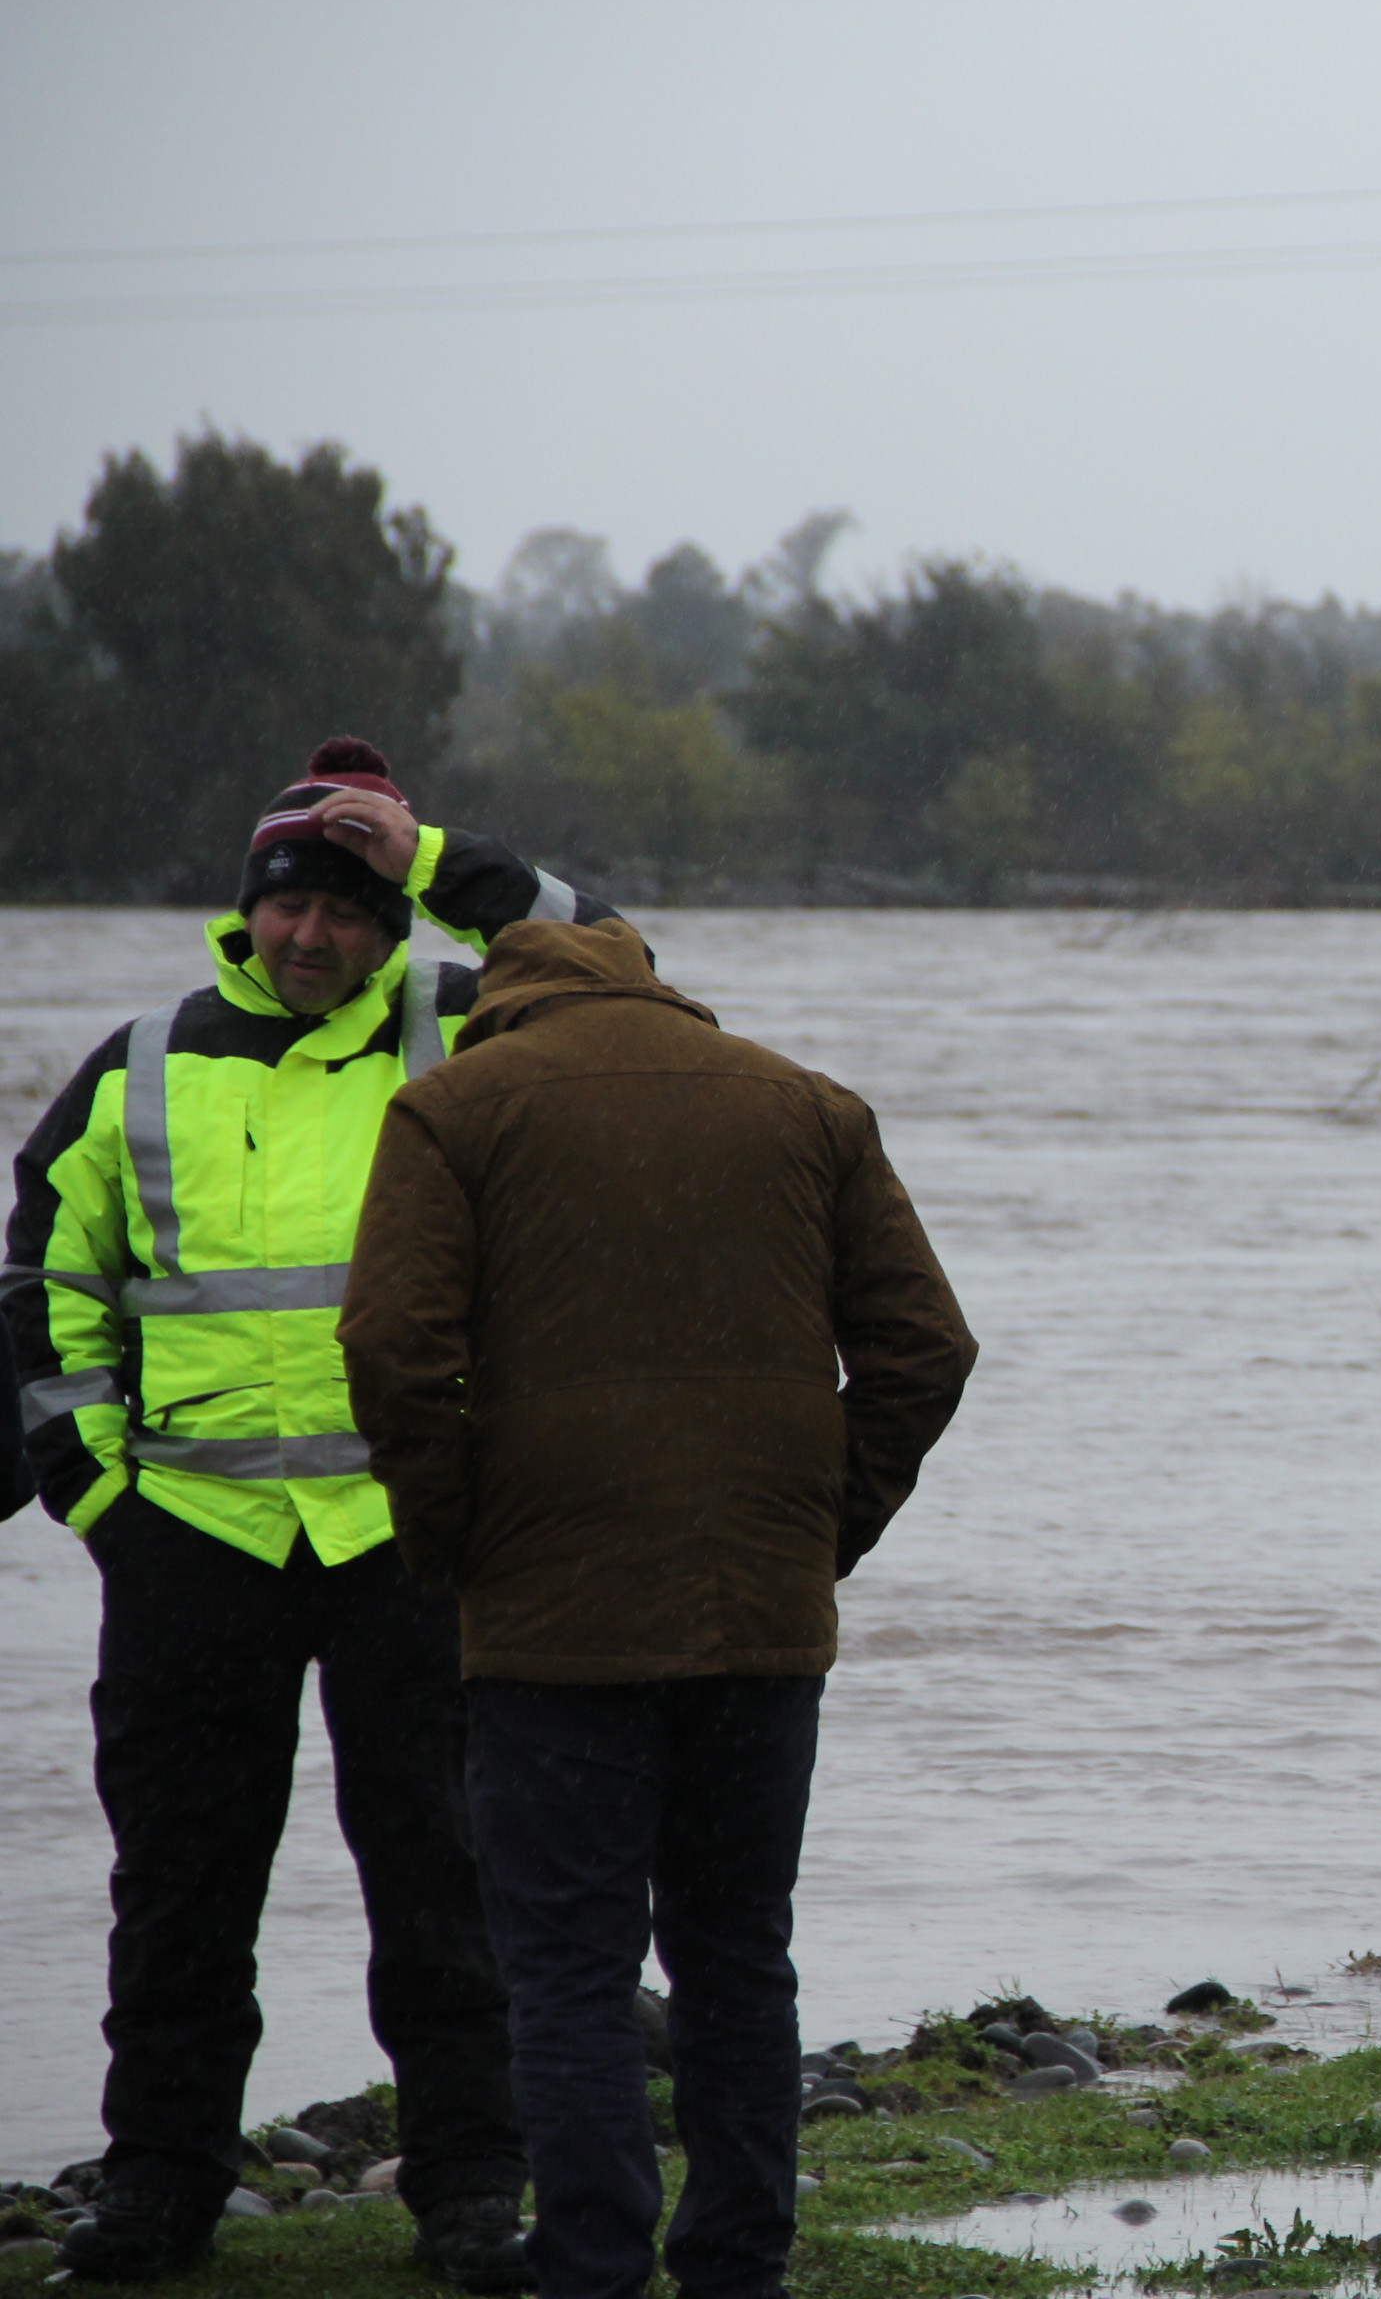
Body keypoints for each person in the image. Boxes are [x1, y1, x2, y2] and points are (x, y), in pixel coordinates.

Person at [3, 737, 617, 2289]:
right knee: (181, 1892)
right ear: (246, 911)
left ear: (390, 921)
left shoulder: (471, 1032)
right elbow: (44, 1282)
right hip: (186, 1549)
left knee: (447, 1888)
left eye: (347, 910)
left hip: (409, 1544)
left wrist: (428, 849)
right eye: (289, 907)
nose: (311, 936)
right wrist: (90, 1488)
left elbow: (609, 956)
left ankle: (474, 2192)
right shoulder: (139, 1064)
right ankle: (157, 2188)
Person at [339, 913, 977, 2299]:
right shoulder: (808, 1105)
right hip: (761, 1610)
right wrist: (821, 1527)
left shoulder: (449, 1109)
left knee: (568, 1969)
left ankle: (590, 2260)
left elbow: (393, 1349)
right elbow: (927, 1348)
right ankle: (739, 2260)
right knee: (739, 1953)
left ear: (498, 1004)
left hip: (549, 1623)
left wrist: (455, 1543)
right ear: (655, 986)